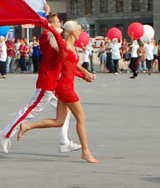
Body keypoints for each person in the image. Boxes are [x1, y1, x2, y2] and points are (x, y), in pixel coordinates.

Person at [0, 10, 92, 155]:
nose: (60, 24)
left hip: (56, 83)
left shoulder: (55, 40)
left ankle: (64, 142)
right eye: (57, 22)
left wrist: (83, 73)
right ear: (50, 25)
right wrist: (46, 20)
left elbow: (67, 65)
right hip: (48, 81)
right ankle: (6, 133)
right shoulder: (47, 38)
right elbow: (62, 56)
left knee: (64, 114)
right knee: (32, 109)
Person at [16, 19, 99, 163]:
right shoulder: (64, 45)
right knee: (81, 118)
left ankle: (27, 126)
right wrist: (42, 18)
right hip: (66, 88)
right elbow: (53, 31)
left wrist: (84, 73)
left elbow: (72, 66)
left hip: (63, 86)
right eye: (79, 29)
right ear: (73, 31)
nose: (81, 32)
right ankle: (85, 152)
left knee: (59, 121)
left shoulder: (72, 47)